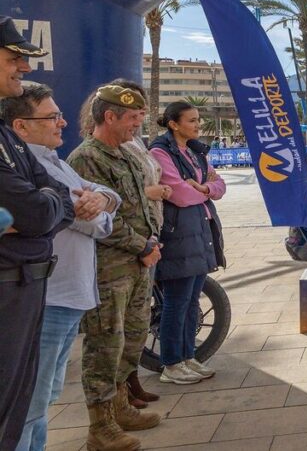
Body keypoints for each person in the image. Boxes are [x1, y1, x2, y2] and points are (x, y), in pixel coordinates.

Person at [3, 84, 117, 451]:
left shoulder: (55, 162)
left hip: (67, 296)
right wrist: (94, 208)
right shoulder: (27, 164)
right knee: (27, 408)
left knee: (43, 401)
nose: (63, 122)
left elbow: (109, 201)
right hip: (48, 298)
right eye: (52, 117)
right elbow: (84, 221)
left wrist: (101, 199)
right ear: (21, 126)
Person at [68, 84, 162, 451]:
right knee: (105, 344)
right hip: (109, 269)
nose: (136, 126)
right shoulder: (86, 158)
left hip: (138, 263)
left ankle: (121, 407)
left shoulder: (123, 154)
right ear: (109, 117)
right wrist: (143, 245)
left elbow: (138, 206)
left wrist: (151, 242)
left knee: (133, 337)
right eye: (131, 119)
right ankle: (100, 427)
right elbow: (97, 220)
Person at [0, 19, 74, 451]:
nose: (23, 68)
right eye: (13, 59)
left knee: (22, 407)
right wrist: (42, 207)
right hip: (10, 286)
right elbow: (33, 210)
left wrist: (42, 207)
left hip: (26, 286)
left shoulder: (7, 139)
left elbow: (53, 201)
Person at [149, 101, 226, 384]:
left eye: (197, 120)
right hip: (178, 233)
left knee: (192, 300)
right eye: (191, 120)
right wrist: (204, 190)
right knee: (176, 301)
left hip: (200, 229)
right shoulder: (160, 151)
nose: (197, 125)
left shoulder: (195, 151)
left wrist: (204, 188)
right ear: (174, 124)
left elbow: (219, 185)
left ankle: (187, 356)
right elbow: (178, 195)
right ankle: (171, 363)